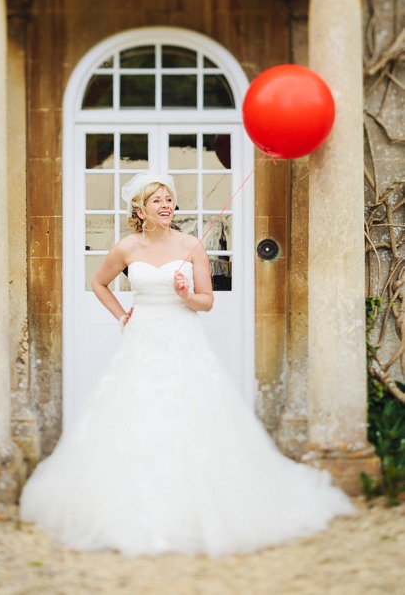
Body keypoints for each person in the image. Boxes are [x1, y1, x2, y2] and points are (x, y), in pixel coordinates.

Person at [20, 172, 354, 557]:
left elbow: (206, 301)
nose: (166, 205)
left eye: (169, 199)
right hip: (143, 338)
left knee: (193, 412)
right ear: (140, 210)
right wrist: (122, 316)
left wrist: (186, 295)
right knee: (136, 413)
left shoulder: (191, 244)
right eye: (157, 200)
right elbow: (99, 283)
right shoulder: (127, 247)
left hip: (183, 336)